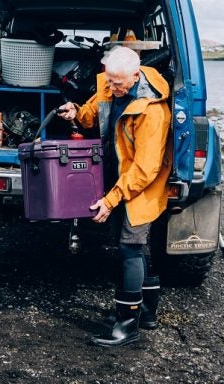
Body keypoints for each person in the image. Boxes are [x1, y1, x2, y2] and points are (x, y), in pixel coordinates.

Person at [58, 45, 172, 347]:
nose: (111, 87)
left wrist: (111, 200)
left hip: (140, 186)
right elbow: (92, 115)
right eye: (109, 80)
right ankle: (146, 312)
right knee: (131, 248)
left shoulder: (153, 111)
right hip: (118, 178)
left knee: (129, 247)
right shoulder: (110, 86)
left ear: (135, 76)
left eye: (118, 82)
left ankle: (127, 325)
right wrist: (76, 112)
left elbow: (145, 169)